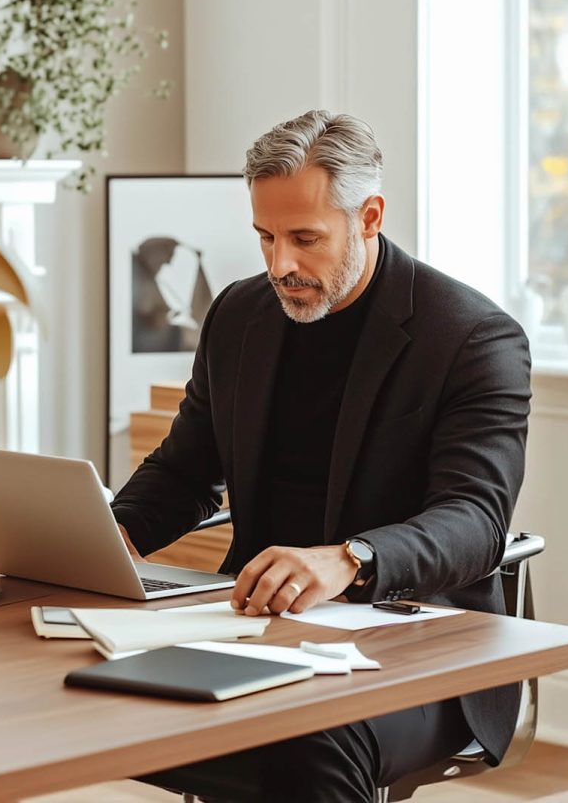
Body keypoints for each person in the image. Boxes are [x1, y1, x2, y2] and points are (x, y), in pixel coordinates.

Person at [110, 109, 532, 803]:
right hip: (255, 626)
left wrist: (350, 558)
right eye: (266, 237)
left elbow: (474, 519)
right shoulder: (239, 316)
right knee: (85, 696)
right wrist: (111, 537)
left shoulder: (471, 337)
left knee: (309, 739)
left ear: (368, 217)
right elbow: (187, 470)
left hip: (418, 643)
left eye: (305, 239)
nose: (280, 264)